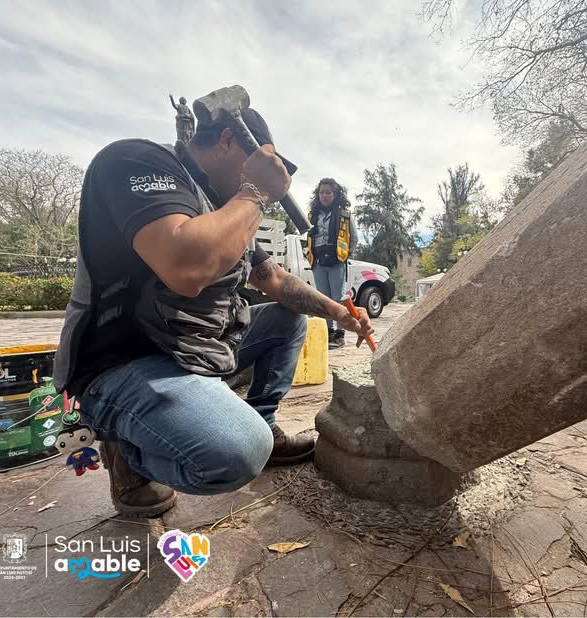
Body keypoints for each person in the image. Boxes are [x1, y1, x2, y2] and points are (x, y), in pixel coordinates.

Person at [53, 86, 374, 518]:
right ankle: (127, 451)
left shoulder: (222, 208)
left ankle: (263, 420)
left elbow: (274, 279)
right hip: (124, 362)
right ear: (227, 141)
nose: (273, 179)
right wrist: (257, 193)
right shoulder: (135, 160)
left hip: (198, 350)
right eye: (264, 164)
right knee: (239, 453)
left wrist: (339, 312)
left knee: (290, 318)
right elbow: (185, 267)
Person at [306, 178, 358, 348]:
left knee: (339, 297)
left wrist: (345, 255)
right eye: (322, 192)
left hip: (337, 259)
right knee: (324, 298)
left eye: (329, 192)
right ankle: (327, 332)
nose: (325, 195)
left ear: (335, 195)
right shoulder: (313, 215)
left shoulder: (345, 214)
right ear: (318, 194)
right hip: (318, 260)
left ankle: (340, 334)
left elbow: (353, 239)